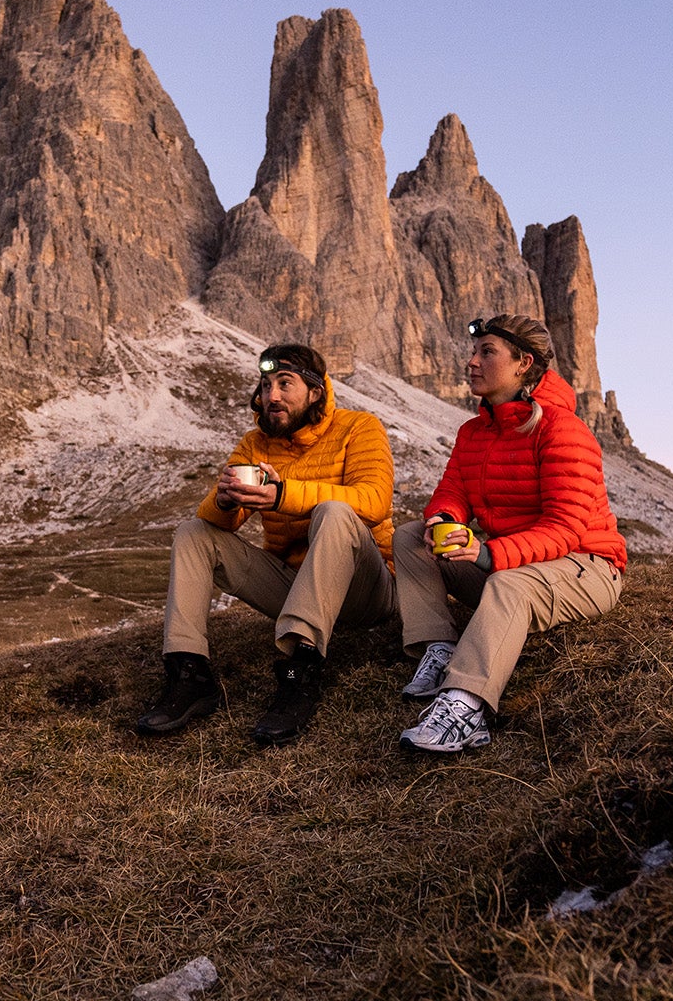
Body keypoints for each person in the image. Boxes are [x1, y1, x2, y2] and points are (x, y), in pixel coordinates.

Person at [138, 344, 396, 745]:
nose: (270, 396)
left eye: (284, 384)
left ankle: (300, 673)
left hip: (365, 591)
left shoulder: (359, 427)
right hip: (295, 586)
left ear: (315, 392)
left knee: (335, 512)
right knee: (194, 532)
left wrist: (283, 495)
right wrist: (224, 500)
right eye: (265, 384)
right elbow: (216, 521)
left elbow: (375, 502)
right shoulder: (255, 443)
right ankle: (189, 672)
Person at [394, 314, 627, 753]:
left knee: (508, 582)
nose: (471, 362)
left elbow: (567, 527)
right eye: (474, 351)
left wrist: (486, 555)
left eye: (487, 352)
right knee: (410, 536)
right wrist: (444, 519)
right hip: (512, 563)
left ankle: (465, 706)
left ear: (523, 362)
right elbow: (452, 490)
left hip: (586, 566)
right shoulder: (474, 431)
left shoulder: (562, 429)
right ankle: (440, 648)